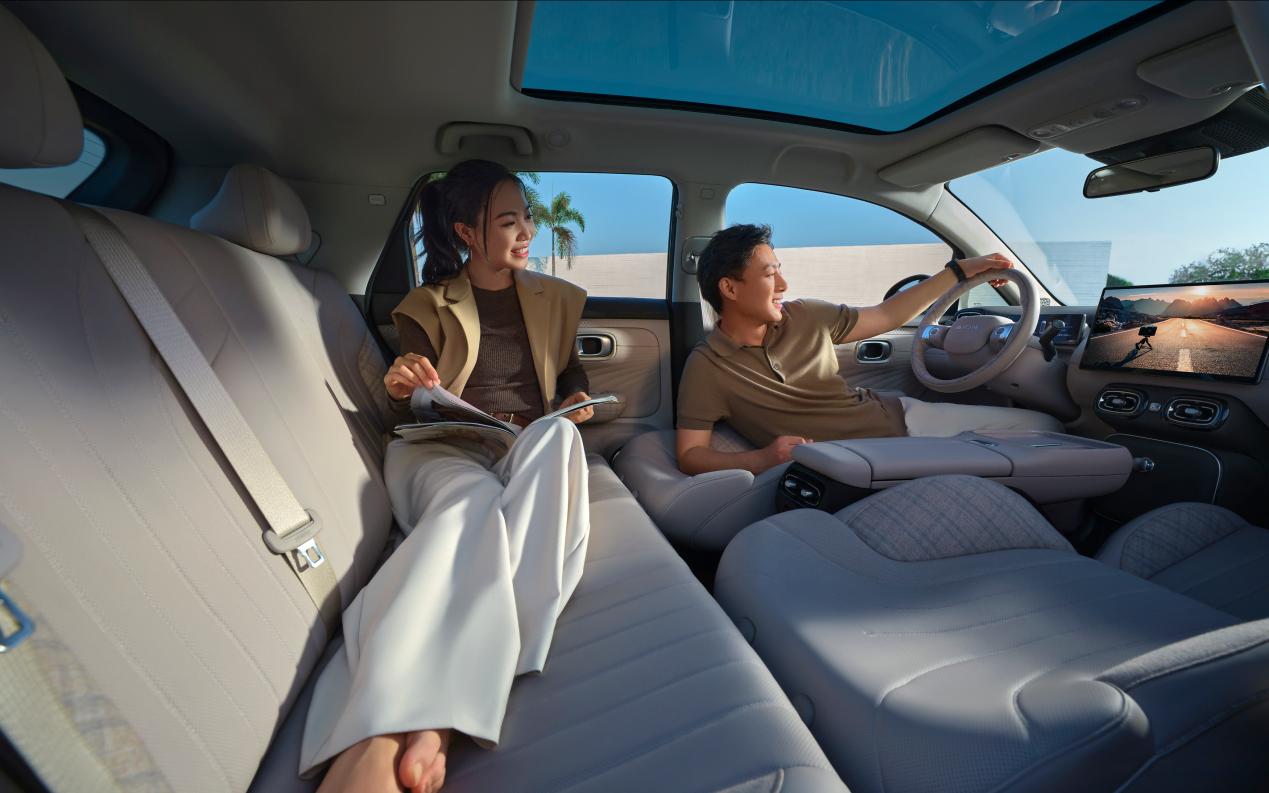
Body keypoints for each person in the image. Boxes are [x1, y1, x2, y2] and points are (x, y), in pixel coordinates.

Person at [300, 160, 596, 793]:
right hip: (443, 448)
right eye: (509, 222)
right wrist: (403, 384)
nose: (527, 232)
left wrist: (576, 398)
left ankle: (437, 698)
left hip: (520, 447)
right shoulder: (427, 305)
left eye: (527, 218)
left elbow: (570, 370)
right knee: (470, 504)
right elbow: (412, 402)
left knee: (560, 438)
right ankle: (404, 722)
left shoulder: (559, 299)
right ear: (467, 232)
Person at [676, 224, 1064, 476]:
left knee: (1047, 429)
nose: (783, 284)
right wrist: (761, 460)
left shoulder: (805, 314)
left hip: (904, 421)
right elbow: (690, 455)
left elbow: (886, 314)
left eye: (780, 269)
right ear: (730, 288)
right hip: (860, 461)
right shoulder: (709, 365)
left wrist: (960, 272)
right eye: (769, 273)